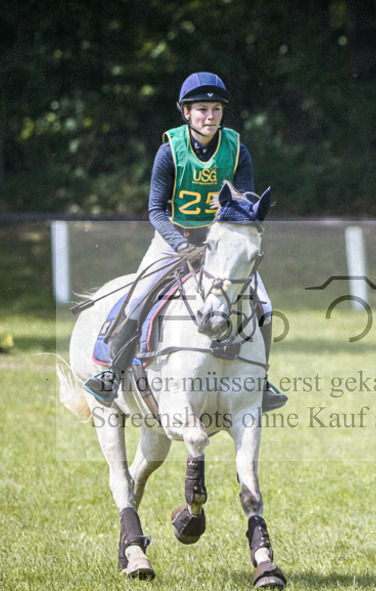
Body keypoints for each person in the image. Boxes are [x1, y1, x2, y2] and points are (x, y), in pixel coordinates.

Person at [84, 72, 286, 411]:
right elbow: (155, 210)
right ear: (187, 113)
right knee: (138, 297)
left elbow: (243, 206)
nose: (210, 116)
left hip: (219, 245)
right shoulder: (169, 151)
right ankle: (112, 374)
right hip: (172, 240)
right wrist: (180, 246)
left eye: (216, 109)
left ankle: (261, 380)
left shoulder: (237, 150)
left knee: (263, 304)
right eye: (202, 109)